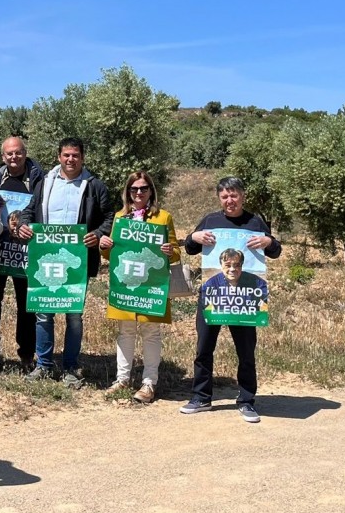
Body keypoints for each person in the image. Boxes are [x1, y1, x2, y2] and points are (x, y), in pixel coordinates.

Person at [180, 176, 281, 423]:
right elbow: (189, 248)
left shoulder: (255, 221)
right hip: (212, 297)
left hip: (246, 300)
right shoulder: (210, 220)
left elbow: (276, 251)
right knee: (204, 348)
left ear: (242, 196)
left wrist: (268, 240)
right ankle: (201, 398)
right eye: (224, 196)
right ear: (219, 198)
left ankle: (247, 401)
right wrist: (194, 237)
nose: (229, 200)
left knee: (246, 351)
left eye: (234, 195)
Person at [19, 138, 112, 387]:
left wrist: (100, 234)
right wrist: (24, 226)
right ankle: (44, 365)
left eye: (75, 155)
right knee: (43, 315)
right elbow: (28, 212)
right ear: (59, 156)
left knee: (74, 317)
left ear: (82, 158)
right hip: (46, 261)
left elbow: (109, 216)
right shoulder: (44, 183)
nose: (71, 159)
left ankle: (71, 367)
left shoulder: (94, 186)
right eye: (66, 155)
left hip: (76, 263)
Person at [98, 171, 179, 403]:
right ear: (128, 192)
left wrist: (169, 251)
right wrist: (104, 245)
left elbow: (175, 252)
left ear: (151, 191)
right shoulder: (120, 218)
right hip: (126, 285)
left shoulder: (163, 217)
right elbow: (110, 253)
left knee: (151, 333)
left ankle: (149, 383)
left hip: (151, 285)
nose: (139, 193)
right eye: (134, 189)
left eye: (143, 188)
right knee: (125, 331)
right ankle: (121, 379)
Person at [0, 136, 44, 370]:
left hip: (26, 251)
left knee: (26, 305)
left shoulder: (38, 178)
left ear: (25, 153)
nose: (14, 157)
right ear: (2, 156)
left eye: (18, 152)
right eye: (9, 154)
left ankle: (27, 354)